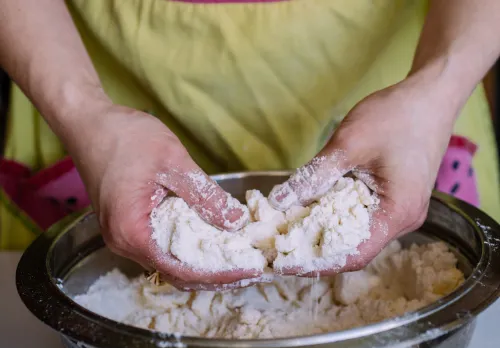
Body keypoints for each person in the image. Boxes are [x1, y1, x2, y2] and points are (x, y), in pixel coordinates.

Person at [0, 0, 499, 290]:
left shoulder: (423, 100)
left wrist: (434, 90)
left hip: (406, 101)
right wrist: (84, 112)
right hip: (91, 85)